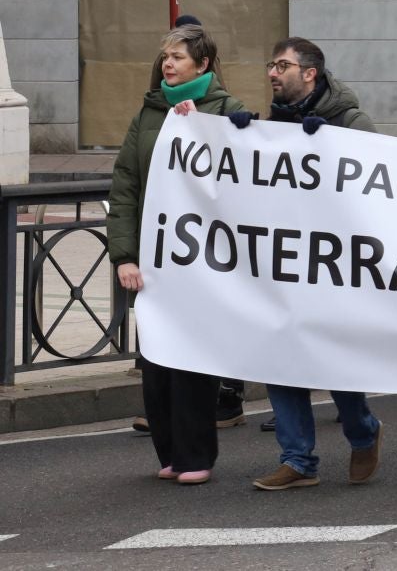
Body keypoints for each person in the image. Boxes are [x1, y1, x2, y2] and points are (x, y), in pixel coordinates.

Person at [236, 38, 385, 491]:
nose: (272, 73)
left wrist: (335, 149)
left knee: (334, 361)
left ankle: (363, 433)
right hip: (286, 262)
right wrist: (241, 141)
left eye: (283, 65)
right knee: (283, 357)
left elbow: (375, 185)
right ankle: (297, 460)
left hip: (333, 263)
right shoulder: (272, 123)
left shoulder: (349, 119)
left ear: (310, 74)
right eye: (271, 64)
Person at [107, 25, 248, 486]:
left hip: (204, 261)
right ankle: (169, 453)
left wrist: (201, 131)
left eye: (179, 57)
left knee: (193, 363)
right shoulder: (148, 112)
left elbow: (245, 178)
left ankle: (196, 456)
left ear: (203, 64)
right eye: (165, 56)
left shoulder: (226, 111)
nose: (168, 64)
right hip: (154, 261)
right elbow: (126, 184)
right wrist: (124, 255)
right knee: (156, 363)